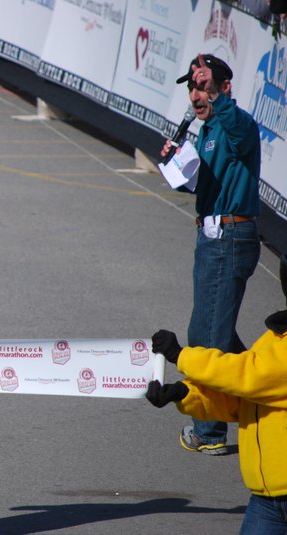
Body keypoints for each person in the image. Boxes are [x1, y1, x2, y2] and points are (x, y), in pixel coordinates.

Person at [160, 53, 261, 455]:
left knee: (208, 337)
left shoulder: (236, 124)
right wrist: (176, 166)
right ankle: (270, 392)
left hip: (230, 236)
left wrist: (218, 98)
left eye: (204, 86)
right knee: (214, 332)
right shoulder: (202, 131)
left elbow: (237, 128)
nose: (197, 93)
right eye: (193, 87)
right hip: (211, 236)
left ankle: (210, 430)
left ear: (223, 89)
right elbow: (201, 185)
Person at [145, 276, 287, 534]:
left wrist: (181, 356)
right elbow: (242, 402)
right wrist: (184, 393)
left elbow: (250, 375)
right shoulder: (274, 338)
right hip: (267, 496)